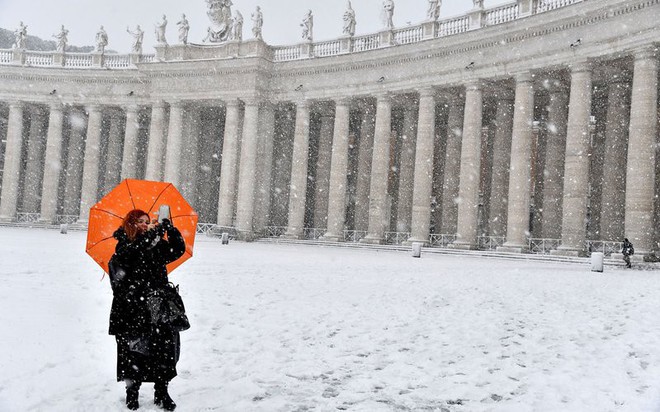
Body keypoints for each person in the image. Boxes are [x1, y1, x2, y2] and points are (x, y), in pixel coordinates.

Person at [108, 209, 186, 410]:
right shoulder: (124, 243)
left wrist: (171, 230)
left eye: (147, 221)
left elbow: (177, 250)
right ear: (131, 224)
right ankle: (132, 392)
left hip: (158, 305)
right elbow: (134, 252)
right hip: (133, 307)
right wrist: (153, 234)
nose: (145, 224)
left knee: (164, 349)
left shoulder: (156, 244)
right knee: (134, 351)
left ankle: (162, 391)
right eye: (140, 222)